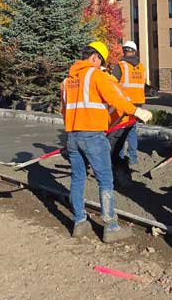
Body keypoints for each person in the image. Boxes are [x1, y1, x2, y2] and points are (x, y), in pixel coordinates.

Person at [61, 42, 152, 242]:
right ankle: (111, 227)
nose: (100, 64)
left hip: (73, 137)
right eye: (100, 60)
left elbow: (64, 110)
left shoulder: (67, 81)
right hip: (93, 136)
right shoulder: (96, 75)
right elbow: (113, 98)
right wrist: (136, 111)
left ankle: (79, 223)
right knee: (105, 180)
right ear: (95, 57)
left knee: (77, 179)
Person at [113, 41, 146, 169]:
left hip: (124, 104)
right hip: (138, 104)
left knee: (120, 131)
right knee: (132, 131)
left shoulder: (120, 66)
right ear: (135, 51)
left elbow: (113, 84)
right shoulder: (141, 67)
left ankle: (120, 157)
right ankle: (133, 158)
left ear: (124, 50)